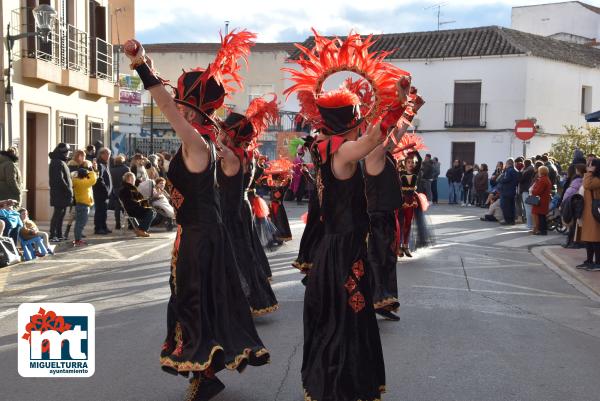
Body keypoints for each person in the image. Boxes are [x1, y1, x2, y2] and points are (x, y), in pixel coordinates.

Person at [125, 32, 269, 399]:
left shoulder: (196, 143)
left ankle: (203, 372)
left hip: (200, 236)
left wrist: (142, 66)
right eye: (181, 108)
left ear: (195, 114)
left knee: (192, 301)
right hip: (197, 234)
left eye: (184, 110)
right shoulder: (201, 143)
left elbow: (167, 108)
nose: (179, 112)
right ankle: (207, 370)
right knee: (197, 301)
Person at [285, 30, 392, 401]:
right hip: (344, 251)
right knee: (346, 319)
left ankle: (336, 385)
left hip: (335, 248)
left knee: (338, 317)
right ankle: (339, 387)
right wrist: (397, 106)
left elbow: (373, 144)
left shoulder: (324, 148)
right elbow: (371, 142)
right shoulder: (343, 152)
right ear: (350, 122)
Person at [364, 79, 424, 321]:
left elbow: (396, 134)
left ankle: (385, 300)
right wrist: (402, 105)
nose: (389, 136)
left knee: (387, 260)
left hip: (386, 218)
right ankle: (376, 301)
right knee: (377, 261)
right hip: (375, 218)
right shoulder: (373, 155)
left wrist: (412, 110)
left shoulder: (384, 153)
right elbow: (391, 132)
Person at [219, 98, 280, 315]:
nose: (220, 135)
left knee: (236, 254)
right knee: (243, 252)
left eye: (224, 132)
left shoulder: (231, 156)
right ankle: (252, 299)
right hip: (239, 206)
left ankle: (244, 300)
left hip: (230, 209)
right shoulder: (246, 155)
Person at [577, 159, 600, 270]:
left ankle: (598, 262)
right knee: (588, 238)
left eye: (591, 166)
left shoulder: (597, 179)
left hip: (594, 211)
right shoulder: (591, 177)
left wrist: (589, 172)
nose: (588, 167)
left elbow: (586, 185)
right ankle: (589, 260)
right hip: (588, 211)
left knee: (595, 238)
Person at [48, 143, 73, 242]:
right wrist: (67, 189)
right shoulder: (57, 162)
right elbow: (59, 179)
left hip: (62, 193)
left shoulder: (60, 161)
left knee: (61, 214)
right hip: (60, 193)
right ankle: (53, 234)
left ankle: (59, 234)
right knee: (57, 214)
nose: (68, 154)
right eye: (67, 152)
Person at [118, 172, 156, 237]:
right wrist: (141, 204)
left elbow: (137, 198)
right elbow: (131, 202)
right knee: (151, 212)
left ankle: (140, 228)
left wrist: (144, 202)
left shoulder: (130, 187)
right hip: (132, 209)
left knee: (153, 211)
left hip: (135, 207)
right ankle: (141, 229)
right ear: (129, 179)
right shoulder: (126, 189)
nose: (134, 180)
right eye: (133, 179)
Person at [72, 164, 97, 247]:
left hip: (80, 204)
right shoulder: (83, 182)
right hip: (83, 205)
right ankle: (78, 240)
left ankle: (78, 239)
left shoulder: (77, 180)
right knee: (81, 223)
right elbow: (93, 179)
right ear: (84, 176)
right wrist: (92, 170)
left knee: (79, 223)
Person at [561, 164, 586, 248]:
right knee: (572, 224)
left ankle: (573, 242)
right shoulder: (578, 179)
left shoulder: (580, 179)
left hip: (574, 203)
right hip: (571, 202)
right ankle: (570, 242)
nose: (576, 170)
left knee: (574, 224)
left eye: (577, 169)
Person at [92, 148, 113, 235]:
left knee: (104, 211)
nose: (108, 156)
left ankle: (104, 226)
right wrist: (105, 189)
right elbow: (99, 179)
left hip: (105, 193)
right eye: (106, 154)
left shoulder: (105, 164)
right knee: (99, 211)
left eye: (109, 154)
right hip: (100, 193)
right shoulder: (100, 165)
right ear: (101, 155)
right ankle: (98, 228)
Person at [109, 154, 130, 230]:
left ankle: (117, 223)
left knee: (117, 207)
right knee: (127, 206)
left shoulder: (111, 170)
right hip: (124, 189)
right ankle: (129, 223)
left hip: (115, 190)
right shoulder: (126, 169)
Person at [530, 166, 552, 235]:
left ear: (541, 172)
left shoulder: (542, 180)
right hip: (543, 200)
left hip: (540, 201)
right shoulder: (545, 179)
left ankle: (541, 230)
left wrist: (532, 190)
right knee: (541, 216)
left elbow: (538, 191)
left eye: (539, 171)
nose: (538, 172)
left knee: (540, 216)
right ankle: (541, 230)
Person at [497, 158, 519, 225]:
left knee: (505, 206)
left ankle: (508, 220)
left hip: (506, 191)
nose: (505, 165)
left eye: (506, 164)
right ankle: (512, 220)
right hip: (512, 190)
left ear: (508, 164)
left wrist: (500, 179)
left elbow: (506, 179)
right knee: (511, 206)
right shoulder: (515, 170)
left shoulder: (509, 170)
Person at [519, 159, 536, 229]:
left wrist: (521, 171)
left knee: (528, 208)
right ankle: (531, 224)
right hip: (529, 190)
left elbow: (520, 179)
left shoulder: (527, 171)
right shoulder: (532, 169)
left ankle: (529, 225)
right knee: (530, 208)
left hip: (526, 191)